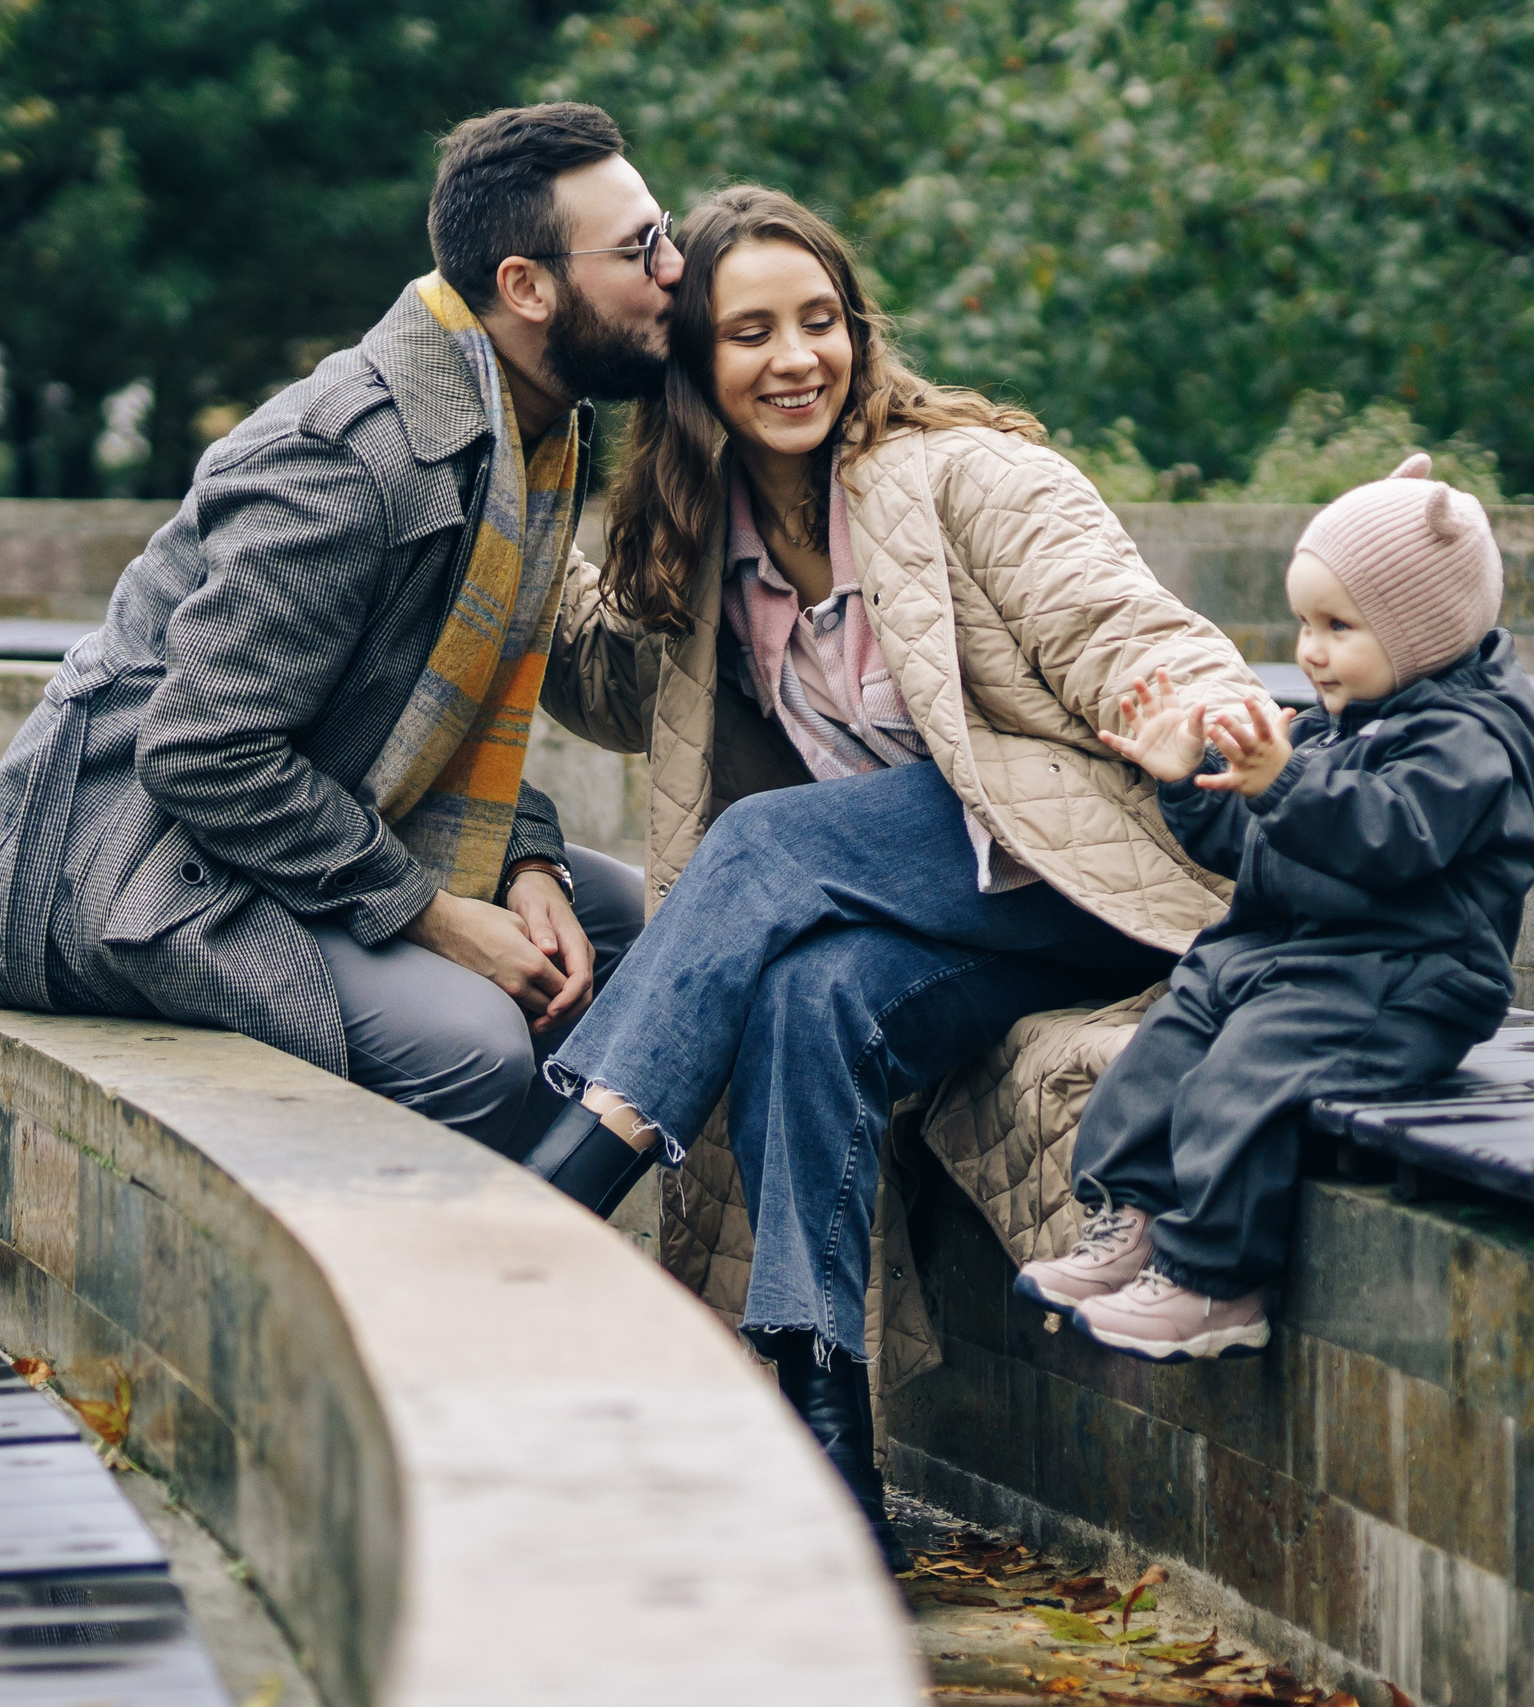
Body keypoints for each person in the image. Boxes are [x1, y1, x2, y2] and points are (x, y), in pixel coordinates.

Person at [524, 185, 1268, 1564]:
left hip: (1081, 870)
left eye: (821, 320)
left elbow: (1115, 616)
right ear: (696, 366)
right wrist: (516, 475)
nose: (796, 357)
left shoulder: (965, 474)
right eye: (750, 332)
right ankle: (824, 1425)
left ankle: (558, 1189)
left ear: (858, 330)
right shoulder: (708, 539)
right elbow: (602, 676)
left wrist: (1202, 708)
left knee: (759, 849)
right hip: (944, 915)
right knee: (811, 994)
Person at [0, 103, 683, 1160]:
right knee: (475, 1048)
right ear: (525, 287)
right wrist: (438, 918)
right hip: (122, 869)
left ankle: (522, 1260)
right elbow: (202, 754)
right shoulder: (353, 460)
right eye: (641, 248)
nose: (677, 267)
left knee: (661, 932)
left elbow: (427, 724)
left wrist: (527, 863)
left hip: (282, 828)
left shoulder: (526, 442)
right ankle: (411, 1298)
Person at [1014, 453, 1534, 1361]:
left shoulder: (1470, 738)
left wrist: (1287, 779)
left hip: (1412, 975)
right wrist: (1192, 787)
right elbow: (1274, 853)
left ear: (1422, 630)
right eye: (1305, 622)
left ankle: (1217, 1281)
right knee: (1176, 1027)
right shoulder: (1359, 716)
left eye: (1339, 626)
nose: (1310, 650)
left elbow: (1388, 835)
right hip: (1308, 955)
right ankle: (1135, 1218)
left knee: (1247, 1073)